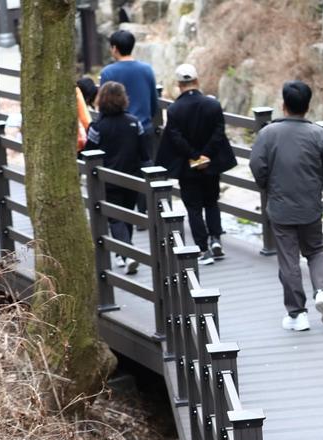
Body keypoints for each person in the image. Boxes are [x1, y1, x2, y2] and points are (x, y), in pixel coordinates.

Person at [248, 80, 323, 333]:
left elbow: (257, 164)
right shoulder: (319, 134)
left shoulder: (268, 134)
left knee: (288, 259)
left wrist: (267, 185)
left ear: (283, 105)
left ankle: (297, 314)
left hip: (280, 206)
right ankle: (322, 291)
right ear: (307, 107)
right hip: (310, 204)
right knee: (316, 250)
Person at [156, 63, 235, 266]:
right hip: (210, 165)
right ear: (197, 81)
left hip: (187, 167)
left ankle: (202, 247)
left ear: (178, 84)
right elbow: (219, 132)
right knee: (211, 202)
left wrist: (193, 156)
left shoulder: (174, 109)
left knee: (193, 207)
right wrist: (205, 155)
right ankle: (216, 239)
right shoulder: (212, 105)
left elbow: (174, 137)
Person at [82, 81, 146, 276]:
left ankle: (127, 252)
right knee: (127, 215)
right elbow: (144, 153)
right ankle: (124, 252)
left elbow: (89, 152)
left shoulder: (98, 126)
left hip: (107, 180)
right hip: (132, 177)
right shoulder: (135, 122)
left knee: (114, 219)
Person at [99, 30, 157, 161]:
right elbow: (154, 104)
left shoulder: (108, 73)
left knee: (120, 177)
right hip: (145, 128)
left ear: (114, 48)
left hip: (117, 134)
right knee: (146, 172)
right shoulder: (147, 69)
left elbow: (103, 107)